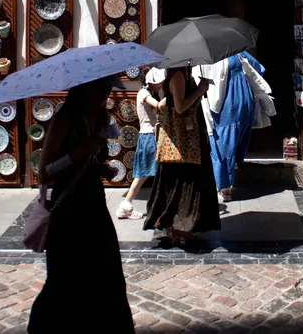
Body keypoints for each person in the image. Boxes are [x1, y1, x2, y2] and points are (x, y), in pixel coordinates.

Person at [29, 76, 134, 333]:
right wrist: (80, 150)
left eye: (108, 90)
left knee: (105, 271)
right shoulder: (64, 119)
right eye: (100, 89)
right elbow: (45, 173)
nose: (104, 95)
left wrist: (101, 167)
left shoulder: (98, 117)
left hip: (93, 205)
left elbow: (89, 161)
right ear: (84, 89)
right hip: (69, 209)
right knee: (66, 275)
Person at [143, 64, 221, 247]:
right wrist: (200, 91)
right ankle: (176, 225)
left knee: (185, 181)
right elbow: (180, 107)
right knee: (184, 181)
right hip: (182, 142)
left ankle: (179, 225)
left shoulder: (183, 75)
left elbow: (167, 103)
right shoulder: (178, 76)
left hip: (187, 140)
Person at [205, 52, 267, 201]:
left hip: (227, 102)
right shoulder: (240, 53)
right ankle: (229, 175)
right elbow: (259, 69)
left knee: (221, 143)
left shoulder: (213, 57)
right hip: (244, 100)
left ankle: (225, 186)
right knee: (234, 139)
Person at [116, 67, 165, 220]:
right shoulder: (144, 93)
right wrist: (174, 93)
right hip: (149, 136)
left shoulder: (149, 92)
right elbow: (159, 106)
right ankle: (126, 205)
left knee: (148, 173)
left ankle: (128, 205)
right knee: (143, 173)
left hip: (151, 136)